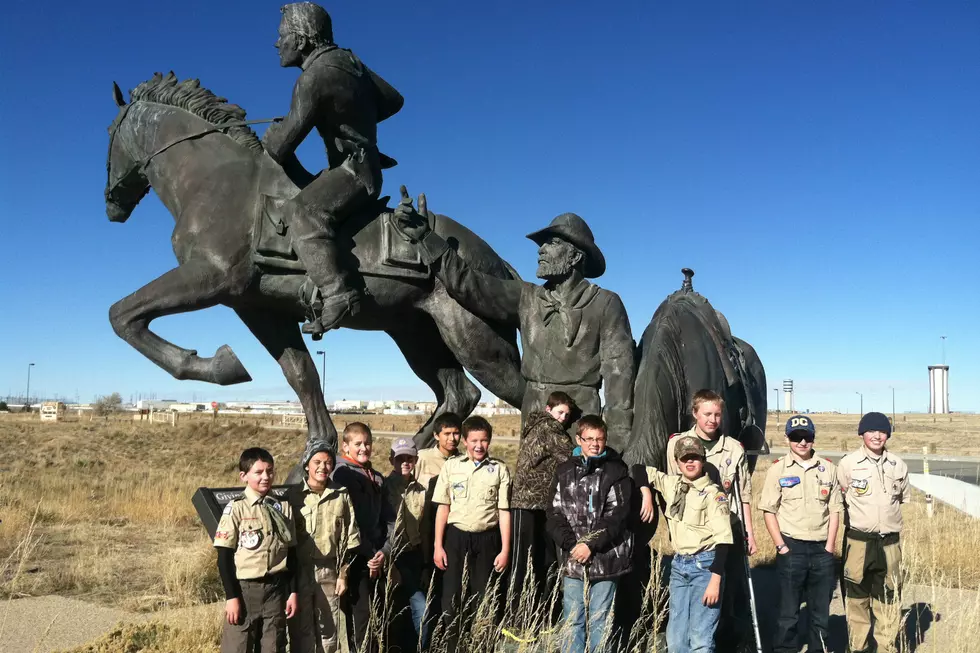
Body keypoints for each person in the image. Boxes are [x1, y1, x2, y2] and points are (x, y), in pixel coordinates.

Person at [394, 189, 636, 451]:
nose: (541, 250)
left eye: (552, 243)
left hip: (580, 424)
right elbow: (469, 284)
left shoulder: (605, 303)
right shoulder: (527, 297)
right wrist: (427, 239)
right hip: (535, 416)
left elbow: (619, 376)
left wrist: (616, 441)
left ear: (575, 256)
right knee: (531, 490)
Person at [264, 2, 404, 337]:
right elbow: (393, 99)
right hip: (362, 167)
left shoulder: (313, 78)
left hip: (352, 173)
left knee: (300, 210)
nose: (276, 43)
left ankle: (338, 293)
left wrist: (274, 135)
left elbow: (280, 148)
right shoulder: (351, 64)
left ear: (300, 41)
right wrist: (354, 121)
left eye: (282, 35)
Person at [664, 389, 757, 651]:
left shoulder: (734, 448)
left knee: (728, 589)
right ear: (695, 414)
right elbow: (672, 487)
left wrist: (749, 531)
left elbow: (744, 493)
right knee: (694, 596)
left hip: (726, 530)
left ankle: (732, 640)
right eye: (707, 414)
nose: (712, 420)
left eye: (717, 414)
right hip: (693, 533)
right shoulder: (678, 444)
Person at [637, 435, 732, 653]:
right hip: (679, 567)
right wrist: (646, 494)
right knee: (676, 638)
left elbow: (724, 540)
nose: (690, 462)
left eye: (695, 458)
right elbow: (639, 469)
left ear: (703, 459)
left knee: (700, 637)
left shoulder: (713, 494)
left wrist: (715, 580)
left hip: (706, 568)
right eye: (684, 458)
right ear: (678, 462)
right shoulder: (672, 485)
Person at [547, 414, 633, 653]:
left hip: (606, 561)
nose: (595, 444)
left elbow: (616, 516)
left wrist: (589, 545)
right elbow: (554, 513)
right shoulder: (563, 471)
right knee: (573, 620)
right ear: (579, 440)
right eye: (589, 439)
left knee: (600, 621)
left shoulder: (617, 472)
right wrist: (572, 545)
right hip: (573, 560)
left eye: (600, 439)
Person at [759, 415, 842, 653]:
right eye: (796, 437)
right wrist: (781, 547)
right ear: (788, 439)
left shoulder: (829, 469)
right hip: (791, 547)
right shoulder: (778, 470)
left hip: (821, 550)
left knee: (820, 613)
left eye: (807, 437)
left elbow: (835, 510)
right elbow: (768, 510)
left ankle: (818, 649)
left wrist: (829, 547)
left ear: (813, 438)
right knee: (788, 613)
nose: (802, 442)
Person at [432, 416, 512, 646]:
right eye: (474, 440)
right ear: (465, 441)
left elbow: (504, 511)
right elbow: (443, 508)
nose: (479, 446)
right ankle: (453, 645)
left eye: (484, 440)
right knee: (451, 598)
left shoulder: (499, 470)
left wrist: (505, 549)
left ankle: (481, 644)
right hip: (456, 538)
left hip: (487, 539)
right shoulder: (452, 466)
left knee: (483, 597)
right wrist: (439, 545)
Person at [837, 412, 909, 653]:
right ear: (861, 434)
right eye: (871, 431)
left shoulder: (898, 464)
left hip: (889, 543)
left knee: (888, 598)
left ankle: (886, 647)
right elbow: (839, 500)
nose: (877, 435)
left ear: (887, 434)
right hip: (858, 541)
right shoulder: (848, 464)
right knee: (857, 599)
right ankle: (858, 647)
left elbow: (901, 499)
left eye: (882, 431)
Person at [214, 447, 298, 653]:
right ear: (244, 476)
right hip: (245, 590)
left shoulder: (283, 508)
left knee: (273, 646)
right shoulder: (236, 508)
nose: (265, 477)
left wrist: (292, 591)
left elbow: (292, 554)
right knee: (238, 646)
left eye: (269, 471)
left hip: (275, 590)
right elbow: (224, 558)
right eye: (258, 472)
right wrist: (231, 597)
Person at [508, 391, 577, 629]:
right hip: (528, 504)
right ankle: (518, 616)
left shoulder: (536, 425)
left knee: (540, 559)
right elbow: (570, 455)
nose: (564, 418)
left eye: (567, 415)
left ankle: (537, 613)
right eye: (560, 412)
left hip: (537, 504)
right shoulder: (550, 428)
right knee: (525, 562)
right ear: (549, 410)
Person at [287, 439, 361, 653]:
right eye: (317, 461)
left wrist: (342, 575)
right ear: (307, 464)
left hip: (329, 572)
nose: (322, 467)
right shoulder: (293, 497)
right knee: (301, 631)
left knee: (329, 632)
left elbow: (349, 539)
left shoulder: (341, 495)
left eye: (328, 462)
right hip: (299, 573)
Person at [332, 423, 393, 652]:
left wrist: (384, 551)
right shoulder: (342, 474)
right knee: (360, 621)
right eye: (357, 444)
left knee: (379, 616)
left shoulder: (376, 477)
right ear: (345, 446)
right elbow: (349, 522)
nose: (363, 448)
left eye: (367, 443)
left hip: (377, 557)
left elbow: (389, 519)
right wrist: (368, 554)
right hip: (355, 558)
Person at [384, 438, 429, 647]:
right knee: (398, 611)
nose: (404, 462)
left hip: (413, 556)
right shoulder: (383, 488)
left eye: (409, 458)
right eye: (400, 458)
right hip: (390, 557)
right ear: (391, 459)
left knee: (417, 612)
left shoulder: (421, 491)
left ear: (415, 460)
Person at [415, 412, 462, 486]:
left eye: (456, 433)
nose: (452, 438)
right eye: (447, 434)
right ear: (436, 435)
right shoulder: (422, 458)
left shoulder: (464, 461)